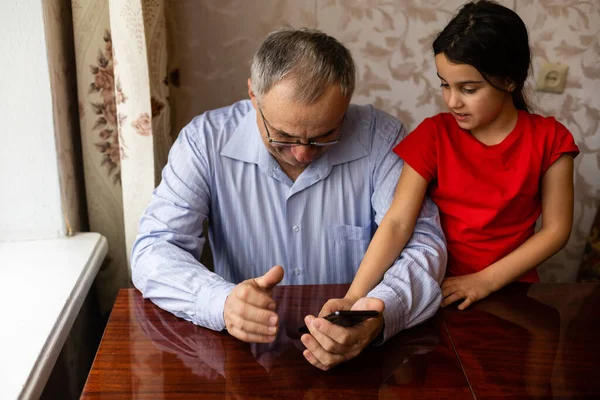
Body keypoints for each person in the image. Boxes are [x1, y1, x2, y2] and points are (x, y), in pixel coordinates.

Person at [131, 27, 447, 371]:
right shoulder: (203, 142)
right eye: (282, 135)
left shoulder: (382, 139)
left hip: (363, 363)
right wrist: (220, 302)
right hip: (242, 360)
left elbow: (424, 247)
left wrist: (376, 311)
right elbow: (155, 249)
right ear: (253, 94)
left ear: (347, 102)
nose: (302, 153)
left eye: (325, 135)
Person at [331, 0, 579, 314]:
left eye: (468, 89)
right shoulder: (434, 135)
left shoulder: (551, 139)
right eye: (445, 85)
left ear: (509, 80)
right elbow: (396, 223)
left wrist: (484, 281)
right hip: (436, 291)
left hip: (512, 293)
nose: (452, 100)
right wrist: (353, 297)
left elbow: (556, 230)